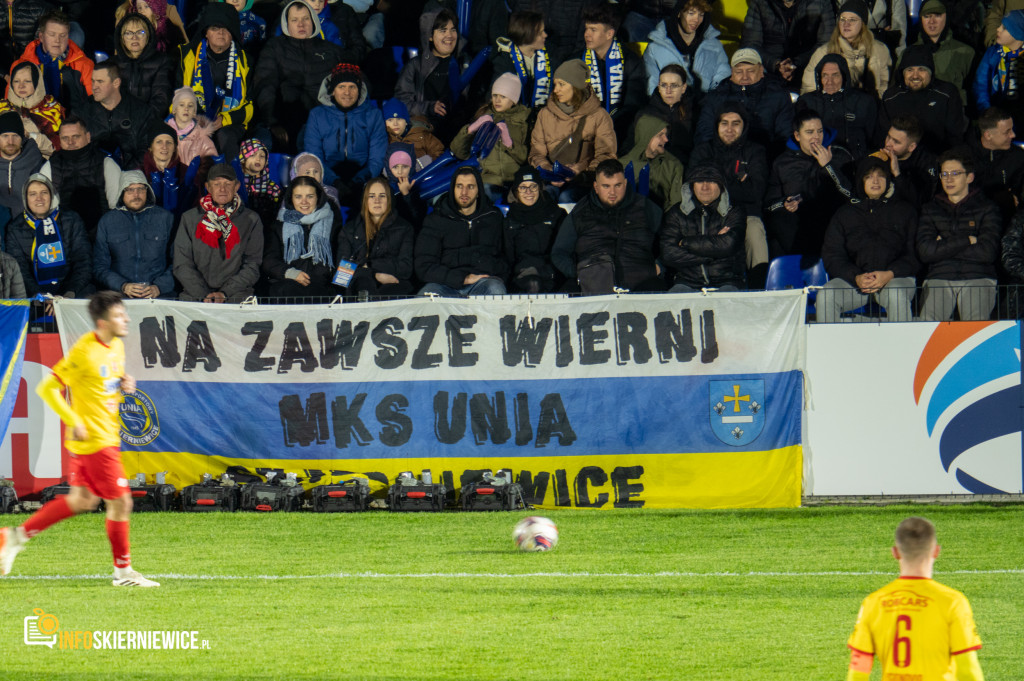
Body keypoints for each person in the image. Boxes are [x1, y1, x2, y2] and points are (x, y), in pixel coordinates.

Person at [0, 291, 159, 587]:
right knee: (121, 503)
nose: (125, 319)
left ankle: (14, 537)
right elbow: (47, 388)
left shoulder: (116, 347)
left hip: (103, 436)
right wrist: (74, 420)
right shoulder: (84, 351)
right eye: (118, 315)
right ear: (102, 322)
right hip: (95, 441)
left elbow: (106, 381)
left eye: (124, 313)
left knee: (82, 500)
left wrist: (124, 384)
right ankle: (123, 572)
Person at [846, 517, 983, 681]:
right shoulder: (952, 602)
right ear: (936, 551)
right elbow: (968, 671)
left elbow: (858, 673)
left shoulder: (873, 603)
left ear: (895, 552)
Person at [817, 155, 919, 322]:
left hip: (895, 279)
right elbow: (832, 256)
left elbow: (914, 254)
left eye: (881, 176)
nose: (875, 181)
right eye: (869, 176)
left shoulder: (905, 211)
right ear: (861, 180)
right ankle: (830, 347)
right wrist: (856, 277)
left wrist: (889, 274)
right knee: (826, 295)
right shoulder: (845, 214)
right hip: (856, 282)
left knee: (896, 294)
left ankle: (902, 346)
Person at [551, 159, 664, 294]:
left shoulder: (645, 207)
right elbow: (559, 253)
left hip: (642, 284)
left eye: (618, 185)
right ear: (596, 187)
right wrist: (579, 274)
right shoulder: (581, 212)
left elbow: (669, 241)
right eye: (606, 186)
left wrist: (659, 266)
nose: (612, 192)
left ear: (626, 183)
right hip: (594, 285)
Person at [689, 102, 770, 287]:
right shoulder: (703, 151)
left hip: (745, 214)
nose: (730, 129)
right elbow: (695, 189)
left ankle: (759, 291)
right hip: (708, 214)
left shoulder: (755, 152)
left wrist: (717, 184)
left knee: (755, 231)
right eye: (724, 123)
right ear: (717, 125)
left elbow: (755, 192)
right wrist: (736, 183)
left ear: (744, 126)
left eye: (736, 123)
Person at [917, 149, 1001, 321]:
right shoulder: (930, 209)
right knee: (928, 325)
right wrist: (968, 240)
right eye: (945, 174)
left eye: (955, 173)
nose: (948, 179)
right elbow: (926, 252)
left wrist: (943, 245)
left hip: (978, 276)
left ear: (969, 177)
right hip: (940, 276)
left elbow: (987, 252)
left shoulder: (987, 208)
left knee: (974, 328)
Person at [253, 0, 348, 152]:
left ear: (314, 21)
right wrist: (272, 122)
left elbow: (353, 82)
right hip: (285, 119)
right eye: (295, 20)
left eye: (305, 19)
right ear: (286, 24)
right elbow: (265, 84)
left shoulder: (332, 51)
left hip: (324, 119)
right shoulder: (274, 48)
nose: (301, 25)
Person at [764, 108, 854, 260]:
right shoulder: (783, 162)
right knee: (780, 222)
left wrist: (827, 166)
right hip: (798, 221)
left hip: (831, 218)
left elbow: (849, 194)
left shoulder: (838, 153)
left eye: (819, 131)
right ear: (797, 136)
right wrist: (784, 202)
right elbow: (768, 203)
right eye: (810, 132)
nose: (816, 137)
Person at [172, 162, 264, 302]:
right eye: (216, 184)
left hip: (237, 296)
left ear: (237, 187)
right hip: (195, 296)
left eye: (227, 183)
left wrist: (225, 293)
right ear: (208, 187)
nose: (222, 189)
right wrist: (202, 294)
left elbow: (252, 265)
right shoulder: (189, 218)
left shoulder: (251, 219)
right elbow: (182, 263)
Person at [528, 58, 617, 202]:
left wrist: (578, 170)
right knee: (543, 196)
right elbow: (536, 152)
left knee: (567, 197)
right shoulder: (545, 114)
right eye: (555, 84)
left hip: (584, 180)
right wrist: (549, 170)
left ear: (576, 86)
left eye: (561, 84)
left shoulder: (599, 116)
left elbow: (606, 155)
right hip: (551, 180)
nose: (556, 90)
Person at [175, 2, 254, 161]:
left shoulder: (246, 61)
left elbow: (250, 106)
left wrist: (224, 120)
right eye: (215, 28)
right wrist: (193, 117)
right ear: (206, 33)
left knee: (226, 137)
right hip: (191, 118)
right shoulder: (187, 56)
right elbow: (176, 97)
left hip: (230, 123)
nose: (221, 33)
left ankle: (231, 181)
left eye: (226, 29)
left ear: (233, 34)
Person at [415, 165, 508, 297]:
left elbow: (505, 258)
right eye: (459, 186)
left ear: (478, 190)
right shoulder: (436, 219)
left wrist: (491, 272)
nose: (464, 192)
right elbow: (424, 265)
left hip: (483, 283)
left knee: (495, 289)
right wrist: (462, 278)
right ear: (452, 189)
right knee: (426, 296)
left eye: (470, 187)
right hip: (445, 284)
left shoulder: (493, 217)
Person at [304, 62, 387, 208]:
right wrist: (335, 182)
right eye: (341, 87)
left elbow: (377, 156)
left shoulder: (373, 115)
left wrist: (360, 180)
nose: (347, 92)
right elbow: (314, 155)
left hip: (363, 177)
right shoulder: (317, 115)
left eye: (352, 87)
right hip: (327, 176)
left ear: (359, 90)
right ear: (332, 90)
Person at [395, 9, 479, 144]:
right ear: (430, 36)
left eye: (453, 30)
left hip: (461, 133)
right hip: (425, 133)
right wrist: (429, 107)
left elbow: (475, 100)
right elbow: (401, 102)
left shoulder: (465, 63)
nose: (449, 35)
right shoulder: (415, 66)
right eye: (443, 30)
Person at [660, 164, 746, 292]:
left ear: (721, 185)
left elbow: (729, 244)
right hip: (687, 282)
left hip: (727, 281)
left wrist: (685, 243)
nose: (705, 187)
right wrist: (715, 248)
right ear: (692, 185)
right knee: (672, 301)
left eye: (711, 181)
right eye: (699, 181)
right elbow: (668, 253)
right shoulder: (677, 213)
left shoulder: (734, 211)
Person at [4, 173, 90, 299]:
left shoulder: (71, 219)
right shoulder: (15, 228)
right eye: (33, 194)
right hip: (34, 295)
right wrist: (41, 296)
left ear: (52, 195)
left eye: (44, 192)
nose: (39, 198)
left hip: (71, 291)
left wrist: (70, 293)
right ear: (25, 199)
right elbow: (20, 270)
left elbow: (83, 261)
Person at [93, 170, 176, 299]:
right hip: (119, 296)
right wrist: (123, 286)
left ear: (147, 191)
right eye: (130, 190)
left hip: (159, 296)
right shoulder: (107, 221)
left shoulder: (165, 218)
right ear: (121, 192)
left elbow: (178, 262)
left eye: (141, 189)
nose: (136, 194)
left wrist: (159, 287)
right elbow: (99, 266)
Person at [451, 73, 531, 203]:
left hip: (514, 180)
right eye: (495, 96)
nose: (497, 100)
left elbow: (525, 158)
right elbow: (458, 152)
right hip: (488, 179)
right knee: (484, 194)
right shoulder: (484, 116)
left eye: (503, 97)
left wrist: (510, 145)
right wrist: (470, 129)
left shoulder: (524, 122)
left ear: (513, 100)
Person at [261, 175, 345, 299]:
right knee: (286, 290)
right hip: (288, 286)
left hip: (322, 288)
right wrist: (289, 273)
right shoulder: (278, 224)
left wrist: (339, 287)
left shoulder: (333, 222)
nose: (304, 202)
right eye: (298, 196)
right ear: (291, 199)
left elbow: (343, 257)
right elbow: (269, 260)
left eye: (310, 196)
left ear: (318, 197)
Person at [695, 48, 794, 152]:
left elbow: (785, 135)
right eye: (739, 71)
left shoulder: (778, 96)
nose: (745, 77)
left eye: (751, 71)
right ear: (731, 73)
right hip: (722, 158)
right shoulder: (716, 97)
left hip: (764, 159)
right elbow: (704, 134)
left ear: (761, 71)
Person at [39, 115, 121, 238]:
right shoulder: (50, 167)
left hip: (102, 235)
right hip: (65, 236)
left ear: (88, 137)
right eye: (65, 138)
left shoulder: (105, 163)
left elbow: (117, 206)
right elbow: (45, 209)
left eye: (75, 136)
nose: (70, 142)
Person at [335, 176, 416, 297]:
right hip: (358, 288)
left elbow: (405, 268)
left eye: (382, 196)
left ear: (389, 199)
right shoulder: (349, 230)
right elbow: (342, 275)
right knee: (363, 285)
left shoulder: (405, 228)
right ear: (365, 200)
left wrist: (369, 265)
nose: (377, 200)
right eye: (371, 196)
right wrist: (374, 275)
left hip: (393, 287)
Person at [877, 45, 967, 154]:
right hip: (901, 159)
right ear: (903, 73)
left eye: (921, 69)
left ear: (930, 72)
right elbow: (883, 135)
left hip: (937, 158)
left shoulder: (947, 93)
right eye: (910, 70)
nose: (915, 76)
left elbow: (955, 136)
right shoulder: (890, 97)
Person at [580, 4, 647, 142]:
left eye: (593, 30)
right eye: (586, 28)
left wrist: (606, 127)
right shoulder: (576, 61)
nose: (587, 34)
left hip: (620, 132)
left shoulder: (631, 61)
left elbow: (633, 105)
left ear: (609, 34)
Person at [801, 0, 891, 98]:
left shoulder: (880, 50)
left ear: (863, 23)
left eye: (852, 20)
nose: (846, 24)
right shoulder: (823, 52)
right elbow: (809, 89)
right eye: (842, 19)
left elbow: (885, 85)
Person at [642, 0, 730, 98]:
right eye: (691, 13)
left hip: (706, 107)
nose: (696, 20)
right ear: (679, 13)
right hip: (670, 107)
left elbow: (723, 78)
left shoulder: (715, 46)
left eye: (701, 14)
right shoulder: (655, 48)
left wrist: (709, 105)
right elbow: (652, 87)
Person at [797, 54, 877, 160]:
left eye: (835, 75)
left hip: (855, 162)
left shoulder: (864, 101)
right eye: (825, 75)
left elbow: (874, 139)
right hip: (815, 162)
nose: (829, 82)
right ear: (819, 77)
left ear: (844, 77)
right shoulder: (807, 101)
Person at [740, 0, 835, 88]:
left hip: (808, 66)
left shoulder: (821, 2)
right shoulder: (760, 3)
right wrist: (776, 65)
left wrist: (796, 63)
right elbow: (750, 44)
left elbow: (826, 44)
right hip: (768, 69)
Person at [78, 61, 154, 169]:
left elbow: (146, 150)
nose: (94, 87)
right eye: (93, 81)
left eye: (100, 82)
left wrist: (127, 174)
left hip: (132, 177)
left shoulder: (140, 111)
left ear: (116, 83)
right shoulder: (82, 112)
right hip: (94, 176)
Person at [503, 166, 565, 293]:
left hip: (551, 274)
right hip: (521, 276)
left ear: (540, 188)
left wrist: (543, 271)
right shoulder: (509, 220)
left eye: (533, 186)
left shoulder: (557, 215)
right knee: (532, 284)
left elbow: (563, 252)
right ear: (516, 191)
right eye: (523, 187)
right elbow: (507, 258)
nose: (528, 192)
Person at [17, 10, 93, 110]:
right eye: (52, 34)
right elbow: (12, 108)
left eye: (62, 35)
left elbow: (95, 106)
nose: (57, 40)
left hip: (74, 122)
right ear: (41, 37)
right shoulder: (21, 66)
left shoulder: (84, 65)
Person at [626, 64, 693, 165]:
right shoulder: (646, 114)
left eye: (674, 85)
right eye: (664, 85)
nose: (668, 91)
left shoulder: (694, 112)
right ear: (658, 87)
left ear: (683, 88)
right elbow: (630, 147)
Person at [913, 0, 975, 104]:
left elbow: (975, 92)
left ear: (946, 17)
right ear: (921, 19)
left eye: (937, 15)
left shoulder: (966, 53)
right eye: (927, 16)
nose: (932, 21)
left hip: (954, 116)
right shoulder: (909, 54)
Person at [968, 106, 1024, 222]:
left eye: (1012, 129)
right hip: (971, 218)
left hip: (1006, 219)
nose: (1013, 135)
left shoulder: (1018, 157)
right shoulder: (964, 157)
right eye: (1007, 132)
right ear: (988, 135)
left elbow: (1017, 193)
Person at [113, 13, 174, 119]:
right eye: (128, 33)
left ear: (148, 35)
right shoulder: (112, 64)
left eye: (140, 32)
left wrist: (140, 121)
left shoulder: (162, 61)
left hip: (149, 123)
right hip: (118, 124)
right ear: (122, 38)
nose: (134, 37)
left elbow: (161, 100)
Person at [618, 114, 683, 212]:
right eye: (660, 135)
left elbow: (675, 204)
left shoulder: (673, 165)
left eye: (666, 135)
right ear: (647, 137)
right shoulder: (621, 165)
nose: (666, 139)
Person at [0, 60, 63, 159]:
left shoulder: (52, 109)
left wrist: (31, 136)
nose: (21, 86)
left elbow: (57, 148)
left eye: (27, 81)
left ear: (37, 82)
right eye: (16, 81)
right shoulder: (2, 108)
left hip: (40, 168)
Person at [142, 121, 203, 222]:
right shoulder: (140, 173)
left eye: (169, 142)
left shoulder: (186, 172)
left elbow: (196, 205)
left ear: (175, 147)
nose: (164, 146)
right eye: (159, 142)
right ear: (151, 147)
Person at [491, 11, 552, 110]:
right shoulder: (504, 61)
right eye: (541, 32)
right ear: (528, 35)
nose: (545, 35)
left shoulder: (550, 54)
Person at [881, 115, 938, 211]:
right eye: (888, 137)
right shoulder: (878, 157)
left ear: (911, 147)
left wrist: (897, 173)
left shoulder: (925, 164)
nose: (888, 144)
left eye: (896, 142)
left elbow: (921, 203)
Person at [973, 10, 1024, 116]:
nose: (998, 29)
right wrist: (987, 111)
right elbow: (981, 84)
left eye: (1005, 28)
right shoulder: (993, 53)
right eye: (1000, 25)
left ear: (1017, 34)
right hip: (996, 114)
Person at [0, 109, 43, 220]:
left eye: (15, 136)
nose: (10, 141)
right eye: (5, 136)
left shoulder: (37, 163)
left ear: (22, 136)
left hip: (29, 227)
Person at [382, 97, 444, 169]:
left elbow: (439, 153)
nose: (395, 124)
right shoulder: (385, 139)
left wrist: (424, 163)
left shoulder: (421, 134)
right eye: (390, 120)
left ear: (406, 121)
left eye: (399, 119)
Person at [233, 137, 281, 230]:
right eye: (253, 155)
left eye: (262, 156)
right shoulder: (235, 186)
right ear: (243, 157)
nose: (258, 159)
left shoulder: (272, 189)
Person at [165, 87, 220, 167]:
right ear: (174, 110)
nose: (186, 109)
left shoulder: (203, 140)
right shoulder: (164, 136)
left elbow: (213, 168)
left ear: (194, 112)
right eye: (181, 105)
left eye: (190, 106)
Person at [115, 0, 188, 53]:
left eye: (146, 7)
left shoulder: (166, 21)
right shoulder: (125, 13)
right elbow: (119, 46)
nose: (142, 11)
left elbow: (183, 43)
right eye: (139, 8)